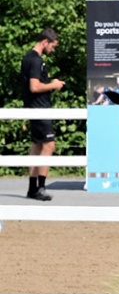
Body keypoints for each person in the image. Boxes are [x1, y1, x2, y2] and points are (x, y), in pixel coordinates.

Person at [21, 28, 66, 201]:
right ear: (45, 42)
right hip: (39, 108)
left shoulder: (28, 58)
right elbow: (35, 86)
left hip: (35, 107)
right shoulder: (35, 60)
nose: (52, 50)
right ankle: (40, 187)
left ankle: (32, 188)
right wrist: (53, 85)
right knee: (49, 146)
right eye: (53, 46)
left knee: (37, 146)